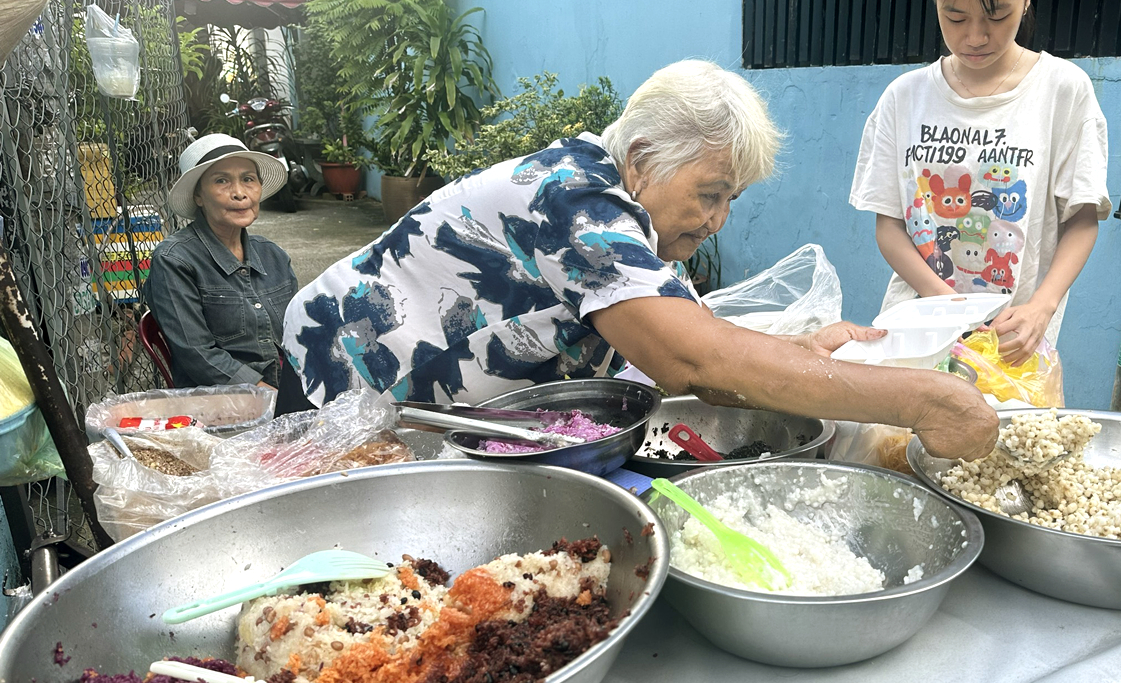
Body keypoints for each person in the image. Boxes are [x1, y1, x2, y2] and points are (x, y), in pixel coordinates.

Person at [284, 59, 997, 461]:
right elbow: (697, 363)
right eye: (710, 192)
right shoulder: (576, 204)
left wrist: (796, 349)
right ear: (644, 159)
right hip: (342, 377)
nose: (717, 219)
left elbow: (689, 336)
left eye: (731, 200)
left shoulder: (627, 217)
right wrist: (918, 398)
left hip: (420, 405)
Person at [850, 0, 1111, 365]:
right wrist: (947, 304)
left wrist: (1041, 309)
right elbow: (890, 224)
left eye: (996, 16)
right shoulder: (904, 97)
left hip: (1015, 342)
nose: (974, 36)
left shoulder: (1062, 90)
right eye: (955, 17)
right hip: (919, 334)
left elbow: (1081, 218)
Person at [145, 133, 300, 393]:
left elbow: (298, 332)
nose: (239, 193)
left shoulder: (273, 255)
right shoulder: (174, 260)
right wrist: (267, 394)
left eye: (248, 179)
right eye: (221, 181)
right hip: (224, 404)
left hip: (285, 390)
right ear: (198, 196)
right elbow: (198, 355)